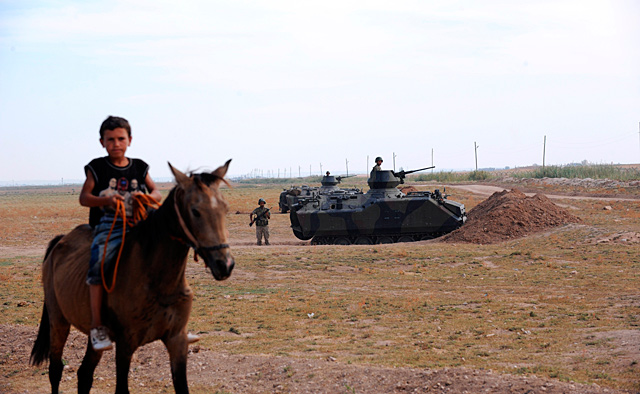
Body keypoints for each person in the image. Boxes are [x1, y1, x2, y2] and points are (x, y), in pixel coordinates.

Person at [79, 115, 163, 351]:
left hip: (140, 222)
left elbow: (157, 193)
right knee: (98, 265)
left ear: (130, 140)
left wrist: (144, 197)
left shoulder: (139, 166)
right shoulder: (97, 167)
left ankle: (172, 323)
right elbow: (84, 198)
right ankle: (97, 327)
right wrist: (105, 199)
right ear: (102, 142)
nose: (116, 143)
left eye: (121, 139)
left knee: (166, 257)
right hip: (110, 224)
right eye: (110, 139)